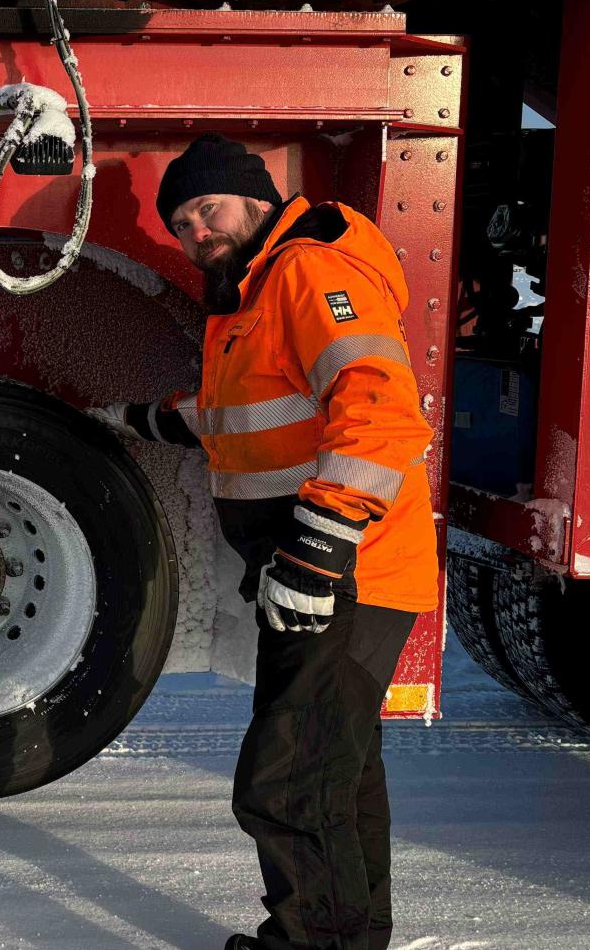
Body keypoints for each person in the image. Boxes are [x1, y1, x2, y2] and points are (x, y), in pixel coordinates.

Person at [97, 133, 438, 950]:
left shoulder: (307, 272)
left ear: (257, 198)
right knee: (337, 773)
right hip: (325, 572)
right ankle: (350, 937)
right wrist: (134, 421)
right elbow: (245, 419)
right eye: (180, 223)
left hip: (346, 570)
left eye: (207, 209)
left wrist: (319, 551)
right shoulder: (249, 296)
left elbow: (380, 410)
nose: (196, 231)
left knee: (287, 780)